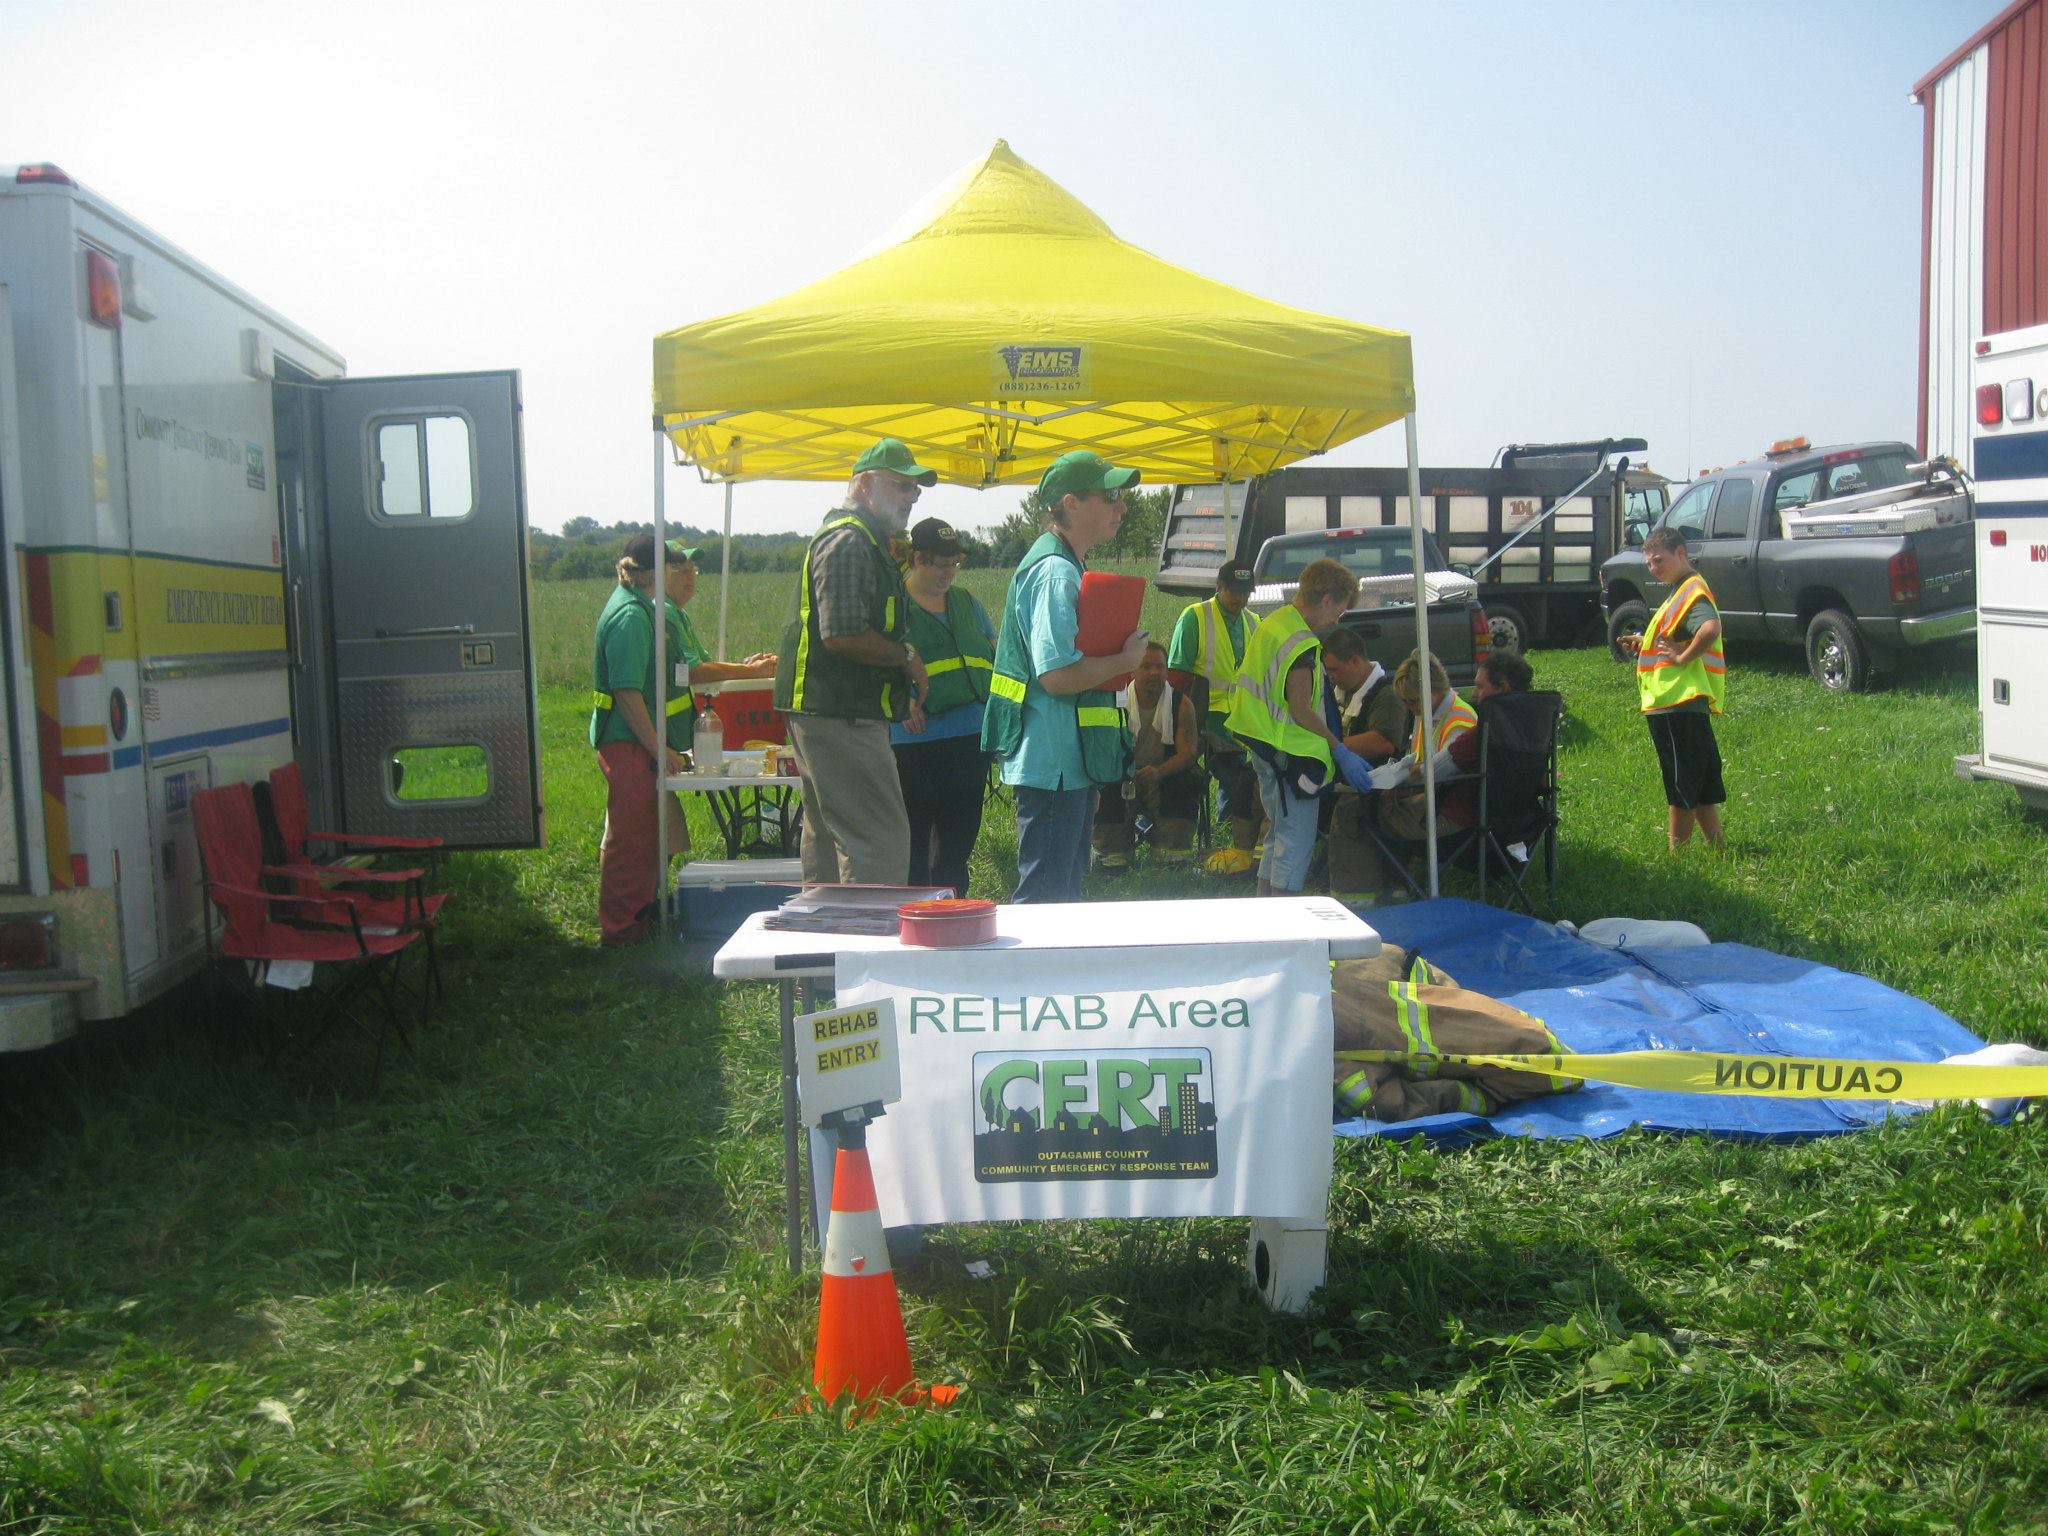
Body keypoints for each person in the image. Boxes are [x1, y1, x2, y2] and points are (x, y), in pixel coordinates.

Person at [589, 535, 776, 946]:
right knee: (631, 840)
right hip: (627, 742)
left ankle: (639, 918)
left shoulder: (641, 608)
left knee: (646, 836)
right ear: (655, 572)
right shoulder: (632, 617)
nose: (685, 574)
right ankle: (621, 932)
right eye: (675, 566)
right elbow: (627, 693)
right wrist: (659, 749)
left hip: (636, 742)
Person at [983, 450, 1150, 903]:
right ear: (1071, 504)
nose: (1121, 506)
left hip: (1065, 762)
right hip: (1054, 761)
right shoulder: (1057, 573)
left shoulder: (1064, 565)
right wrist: (1125, 660)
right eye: (1109, 496)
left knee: (1060, 892)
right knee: (1046, 898)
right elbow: (1056, 676)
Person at [774, 438, 934, 886]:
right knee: (879, 843)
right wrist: (906, 657)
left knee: (829, 839)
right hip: (841, 713)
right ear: (865, 485)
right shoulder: (849, 540)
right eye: (902, 485)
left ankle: (826, 927)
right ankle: (868, 930)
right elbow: (841, 635)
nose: (913, 497)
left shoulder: (858, 538)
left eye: (916, 489)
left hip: (829, 711)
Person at [1224, 557, 1364, 897]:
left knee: (1277, 836)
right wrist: (1338, 748)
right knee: (1296, 842)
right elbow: (1300, 710)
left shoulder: (1275, 622)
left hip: (1263, 743)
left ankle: (1266, 914)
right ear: (1327, 599)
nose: (1337, 620)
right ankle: (1285, 918)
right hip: (1291, 754)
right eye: (1339, 610)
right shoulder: (1302, 643)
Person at [892, 516, 996, 896]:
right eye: (941, 564)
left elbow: (994, 654)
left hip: (969, 739)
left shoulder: (967, 602)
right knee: (913, 848)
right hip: (914, 744)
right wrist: (900, 700)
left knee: (957, 846)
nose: (949, 572)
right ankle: (916, 916)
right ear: (916, 559)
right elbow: (873, 661)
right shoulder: (894, 605)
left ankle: (954, 911)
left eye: (954, 564)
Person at [1343, 649, 1480, 902]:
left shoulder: (1459, 720)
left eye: (1411, 702)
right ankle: (1391, 884)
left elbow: (1438, 771)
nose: (1408, 708)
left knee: (1366, 810)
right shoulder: (1427, 712)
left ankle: (1379, 888)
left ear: (1432, 692)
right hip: (1432, 800)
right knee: (1366, 804)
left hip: (1447, 809)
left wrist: (1402, 776)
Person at [1620, 527, 1726, 849]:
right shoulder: (1679, 591)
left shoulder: (1691, 590)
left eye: (1658, 560)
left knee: (1681, 784)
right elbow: (1679, 634)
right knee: (1701, 782)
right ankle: (1718, 849)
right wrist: (1646, 643)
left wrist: (1682, 657)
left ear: (1681, 552)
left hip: (1675, 702)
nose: (1653, 568)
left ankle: (1676, 859)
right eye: (1649, 563)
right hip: (1683, 701)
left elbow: (1710, 628)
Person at [1167, 562, 1261, 873]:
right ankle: (1192, 837)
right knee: (1204, 775)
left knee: (1237, 778)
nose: (1241, 598)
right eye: (1234, 591)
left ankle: (1226, 834)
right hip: (1201, 716)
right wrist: (1183, 721)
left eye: (1246, 593)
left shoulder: (1253, 621)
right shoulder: (1195, 616)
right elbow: (1178, 673)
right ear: (1219, 588)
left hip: (1239, 717)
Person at [1092, 641, 1203, 870]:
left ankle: (1171, 856)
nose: (1154, 672)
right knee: (1107, 785)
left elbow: (1188, 753)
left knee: (1183, 783)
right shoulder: (1116, 701)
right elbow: (1103, 748)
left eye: (1160, 667)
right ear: (1132, 670)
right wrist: (1126, 771)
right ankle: (1112, 855)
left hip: (1164, 775)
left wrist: (1159, 772)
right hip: (1124, 775)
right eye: (1147, 666)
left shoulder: (1181, 704)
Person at [1320, 626, 1411, 905]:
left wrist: (1332, 745)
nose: (1332, 676)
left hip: (1376, 789)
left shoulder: (1386, 695)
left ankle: (1358, 893)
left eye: (1335, 669)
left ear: (1356, 661)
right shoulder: (1344, 692)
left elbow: (1384, 743)